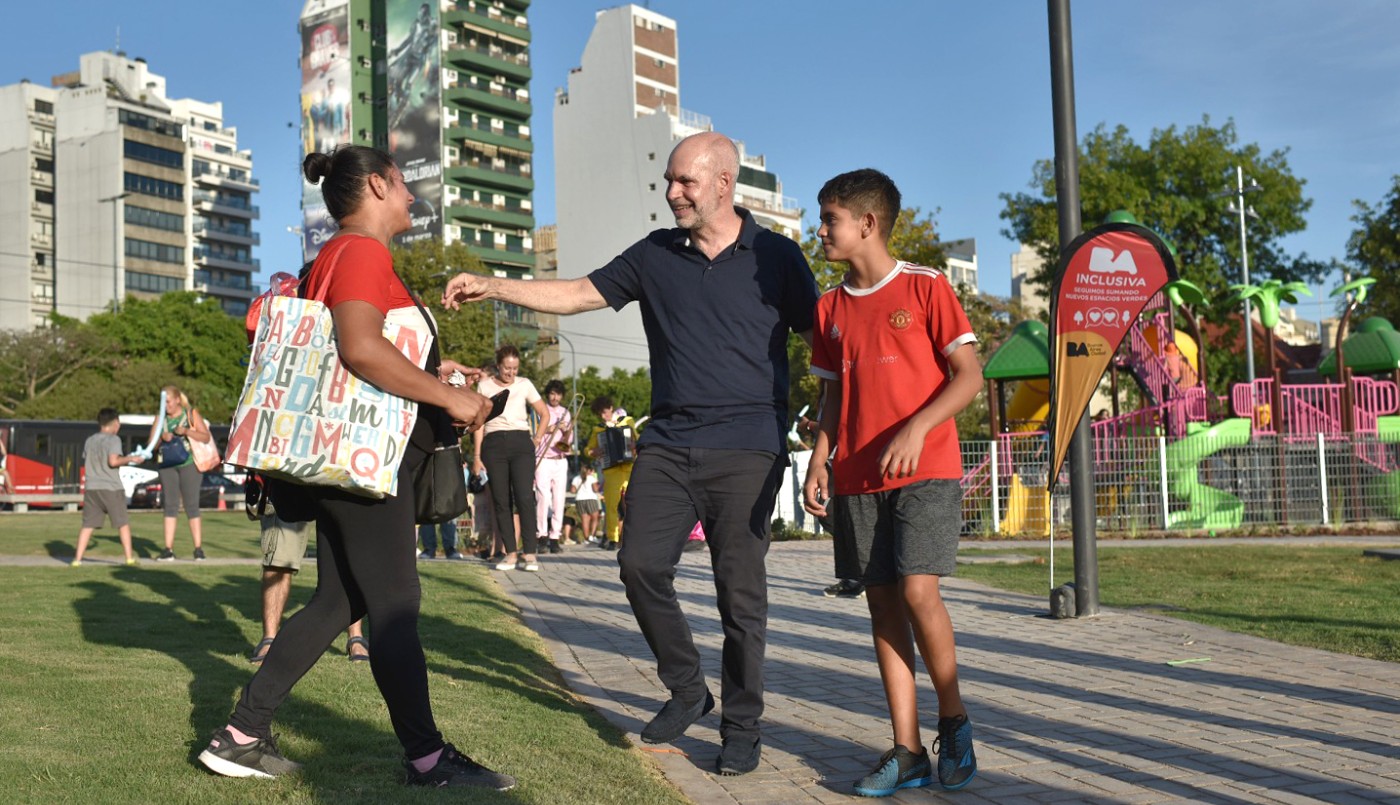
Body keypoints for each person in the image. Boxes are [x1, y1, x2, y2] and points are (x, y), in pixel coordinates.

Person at [443, 131, 820, 775]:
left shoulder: (778, 258)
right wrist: (495, 285)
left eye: (685, 182)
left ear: (724, 184)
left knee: (740, 595)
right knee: (639, 564)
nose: (672, 193)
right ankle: (688, 689)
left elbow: (824, 348)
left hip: (748, 447)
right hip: (669, 444)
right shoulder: (655, 254)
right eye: (669, 181)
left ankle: (743, 726)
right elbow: (578, 293)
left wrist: (827, 445)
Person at [198, 145, 513, 791]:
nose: (410, 197)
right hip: (364, 460)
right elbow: (360, 348)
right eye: (402, 185)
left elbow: (356, 351)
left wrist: (436, 377)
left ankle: (241, 733)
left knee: (339, 600)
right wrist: (452, 397)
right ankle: (427, 758)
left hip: (346, 457)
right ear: (377, 183)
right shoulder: (362, 251)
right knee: (395, 602)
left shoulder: (338, 254)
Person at [802, 168, 983, 795]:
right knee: (881, 602)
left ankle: (953, 721)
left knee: (917, 591)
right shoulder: (828, 309)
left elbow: (969, 378)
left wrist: (916, 427)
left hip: (925, 470)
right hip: (856, 478)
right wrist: (819, 459)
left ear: (867, 224)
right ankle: (906, 751)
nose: (818, 230)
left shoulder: (927, 287)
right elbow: (832, 401)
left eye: (828, 219)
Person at [252, 513, 368, 664]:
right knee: (279, 555)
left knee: (348, 553)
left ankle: (355, 637)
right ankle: (269, 640)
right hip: (292, 490)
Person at [473, 344, 548, 571]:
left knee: (524, 497)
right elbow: (478, 422)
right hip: (493, 443)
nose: (511, 373)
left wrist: (536, 439)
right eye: (507, 368)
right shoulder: (484, 386)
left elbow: (544, 414)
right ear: (498, 366)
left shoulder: (525, 384)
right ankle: (510, 554)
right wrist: (477, 455)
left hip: (521, 442)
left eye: (515, 368)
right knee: (501, 500)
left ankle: (530, 554)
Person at [71, 407, 143, 567]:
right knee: (122, 523)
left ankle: (77, 559)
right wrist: (131, 458)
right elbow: (113, 461)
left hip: (91, 488)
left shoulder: (90, 440)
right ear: (115, 423)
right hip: (111, 487)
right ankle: (129, 558)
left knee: (88, 525)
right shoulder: (114, 440)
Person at [150, 385, 213, 562]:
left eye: (168, 402)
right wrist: (161, 437)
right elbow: (151, 446)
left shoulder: (190, 414)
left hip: (189, 464)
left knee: (191, 504)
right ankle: (168, 549)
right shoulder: (159, 418)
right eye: (163, 403)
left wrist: (186, 431)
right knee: (170, 504)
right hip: (167, 465)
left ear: (177, 400)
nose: (166, 406)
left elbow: (205, 437)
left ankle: (198, 549)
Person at [587, 396, 633, 551]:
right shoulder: (598, 429)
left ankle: (634, 536)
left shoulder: (627, 421)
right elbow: (588, 450)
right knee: (611, 506)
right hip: (611, 470)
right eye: (600, 414)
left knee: (634, 504)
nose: (602, 416)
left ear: (611, 408)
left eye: (605, 412)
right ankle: (613, 539)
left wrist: (634, 444)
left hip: (628, 469)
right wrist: (594, 451)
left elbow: (638, 439)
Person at [534, 380, 574, 554]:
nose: (555, 397)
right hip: (543, 459)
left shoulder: (566, 413)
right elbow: (534, 431)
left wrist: (566, 432)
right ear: (547, 394)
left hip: (560, 458)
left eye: (558, 394)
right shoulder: (541, 410)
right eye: (551, 393)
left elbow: (569, 441)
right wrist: (549, 428)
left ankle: (555, 537)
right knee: (543, 498)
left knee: (559, 499)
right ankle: (541, 536)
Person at [570, 464, 602, 544]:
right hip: (590, 499)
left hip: (579, 499)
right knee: (595, 517)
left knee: (585, 519)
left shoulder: (576, 478)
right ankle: (592, 536)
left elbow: (573, 490)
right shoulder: (591, 478)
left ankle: (586, 539)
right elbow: (595, 489)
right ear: (588, 470)